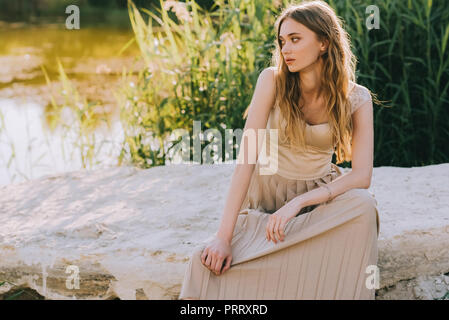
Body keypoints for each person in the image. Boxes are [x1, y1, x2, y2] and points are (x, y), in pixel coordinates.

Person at [179, 0, 380, 300]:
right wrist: (223, 237)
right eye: (282, 41)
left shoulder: (356, 97)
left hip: (316, 199)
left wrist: (298, 204)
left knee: (364, 206)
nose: (286, 49)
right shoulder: (271, 81)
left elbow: (362, 176)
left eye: (296, 39)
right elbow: (246, 160)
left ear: (324, 42)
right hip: (267, 198)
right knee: (204, 263)